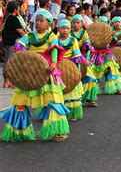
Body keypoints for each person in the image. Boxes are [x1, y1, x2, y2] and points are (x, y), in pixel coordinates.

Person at [0, 10, 70, 142]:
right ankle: (19, 132)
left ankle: (56, 131)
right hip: (30, 73)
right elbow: (20, 45)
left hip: (46, 71)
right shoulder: (30, 35)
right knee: (20, 102)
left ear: (48, 23)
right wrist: (21, 51)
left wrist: (54, 62)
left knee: (53, 101)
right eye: (37, 20)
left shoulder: (51, 36)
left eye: (41, 21)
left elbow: (54, 49)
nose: (38, 23)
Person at [57, 20, 86, 121]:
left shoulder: (73, 40)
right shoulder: (55, 40)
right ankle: (59, 112)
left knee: (72, 89)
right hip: (58, 67)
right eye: (63, 28)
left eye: (67, 28)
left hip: (70, 67)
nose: (65, 30)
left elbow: (77, 57)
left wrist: (77, 72)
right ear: (58, 29)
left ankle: (72, 113)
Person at [70, 15, 100, 107]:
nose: (76, 25)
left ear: (82, 24)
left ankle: (90, 99)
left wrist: (86, 58)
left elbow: (88, 47)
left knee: (92, 79)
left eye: (78, 23)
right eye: (74, 23)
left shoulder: (84, 33)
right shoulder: (68, 32)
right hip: (69, 59)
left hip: (81, 58)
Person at [2, 1, 26, 88]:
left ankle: (7, 81)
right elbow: (20, 31)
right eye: (19, 7)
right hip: (12, 43)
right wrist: (29, 36)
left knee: (8, 61)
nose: (20, 9)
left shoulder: (8, 18)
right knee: (10, 62)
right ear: (16, 9)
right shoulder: (13, 18)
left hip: (8, 43)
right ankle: (7, 82)